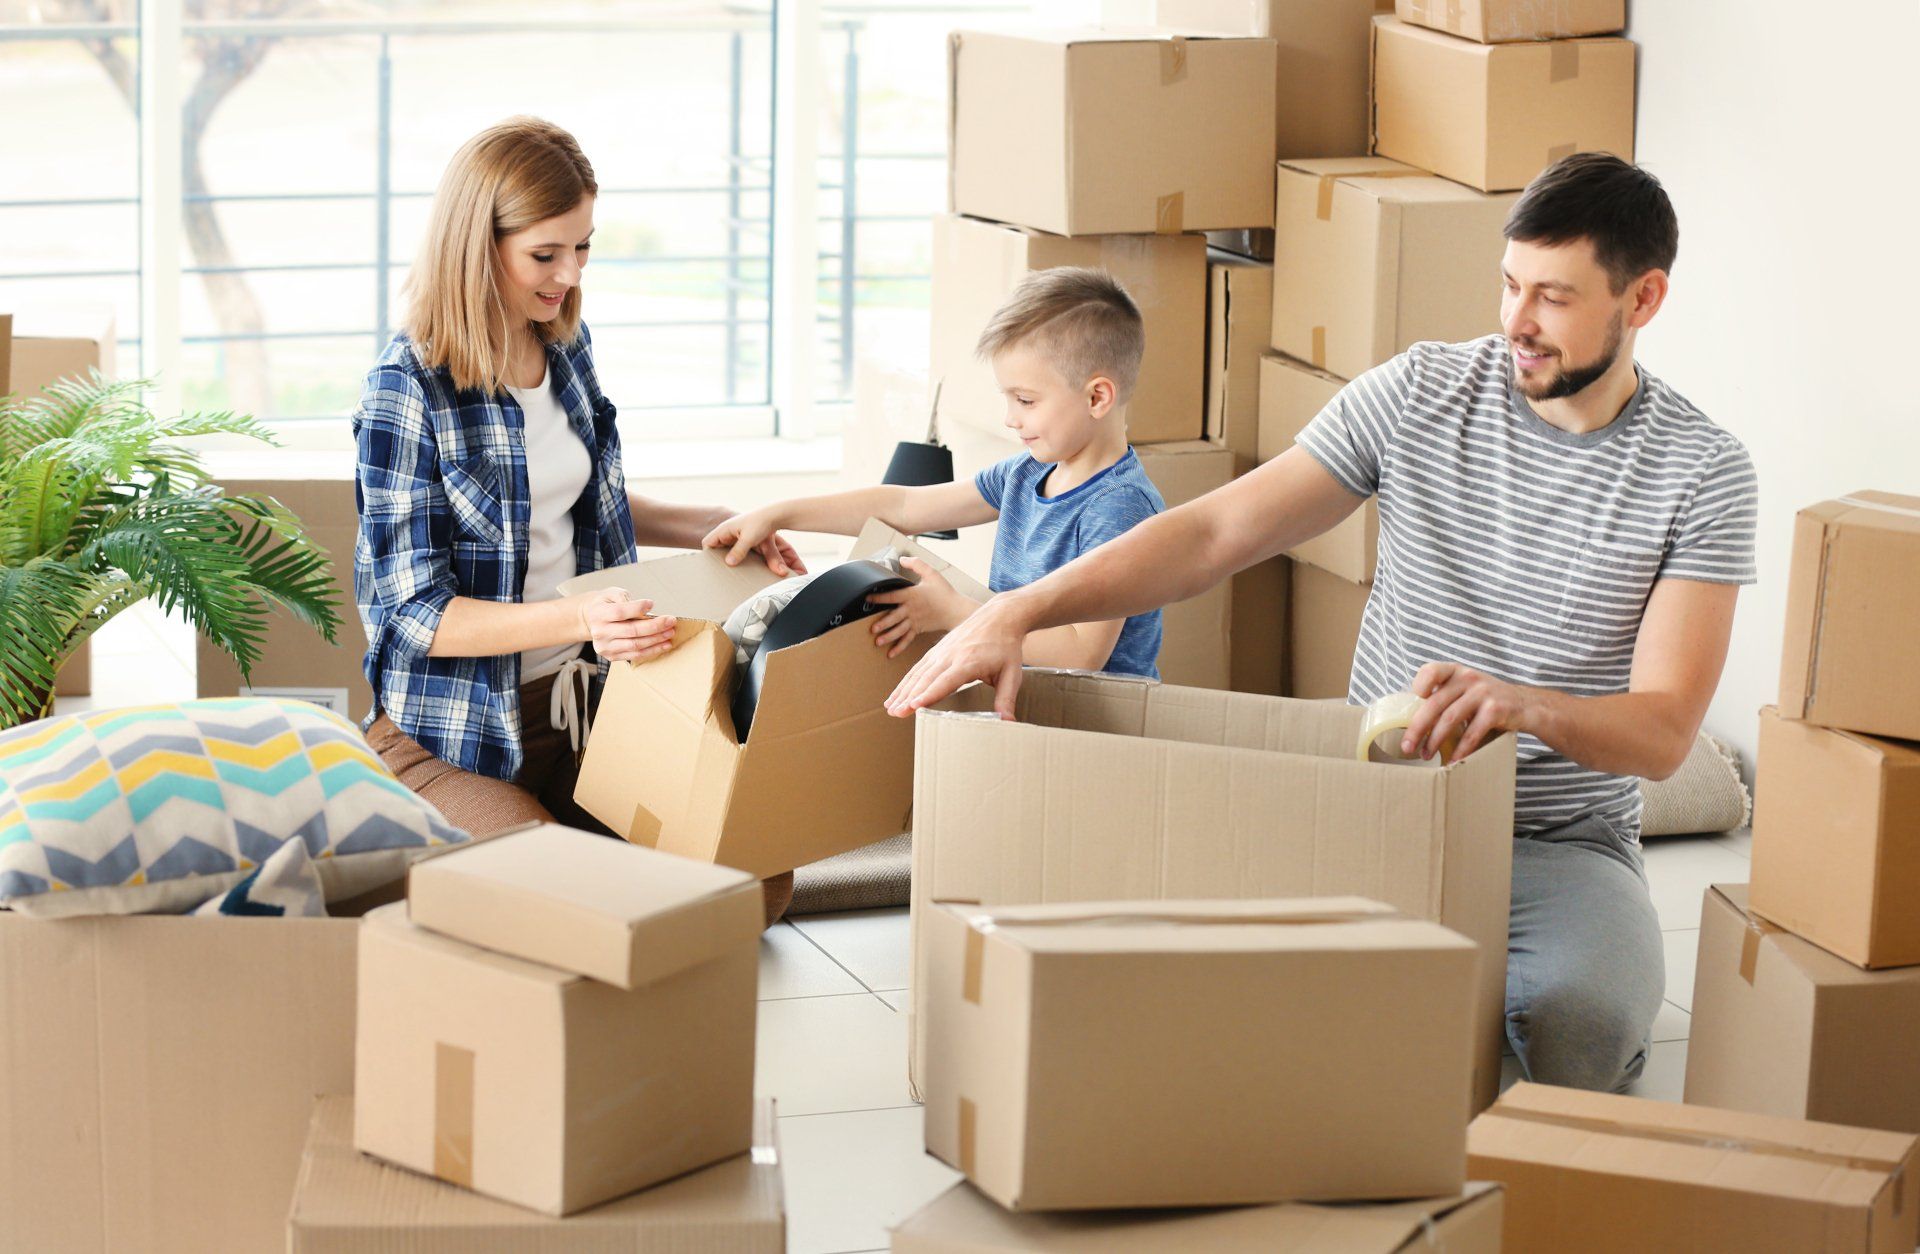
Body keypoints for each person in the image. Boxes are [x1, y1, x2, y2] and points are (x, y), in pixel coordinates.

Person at [885, 153, 1758, 1092]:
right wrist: (1015, 609)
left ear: (1643, 299)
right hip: (1372, 805)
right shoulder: (1424, 391)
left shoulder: (1701, 474)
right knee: (1210, 1024)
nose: (1516, 322)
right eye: (1509, 285)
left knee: (1573, 1028)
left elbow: (1666, 733)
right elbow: (1217, 531)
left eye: (1553, 297)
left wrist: (1523, 707)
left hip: (1556, 844)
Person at [352, 116, 804, 921]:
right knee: (565, 906)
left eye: (584, 247)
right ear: (476, 245)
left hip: (585, 706)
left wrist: (715, 520)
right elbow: (413, 615)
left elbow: (571, 498)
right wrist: (580, 616)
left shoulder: (562, 343)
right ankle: (512, 842)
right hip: (452, 735)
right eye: (545, 254)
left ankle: (553, 842)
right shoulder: (407, 388)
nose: (568, 275)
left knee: (757, 882)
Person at [705, 266, 1164, 677]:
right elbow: (903, 505)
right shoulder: (1024, 474)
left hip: (1094, 723)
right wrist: (780, 513)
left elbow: (1082, 655)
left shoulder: (1117, 507)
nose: (1010, 418)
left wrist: (954, 613)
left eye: (1025, 401)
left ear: (1097, 398)